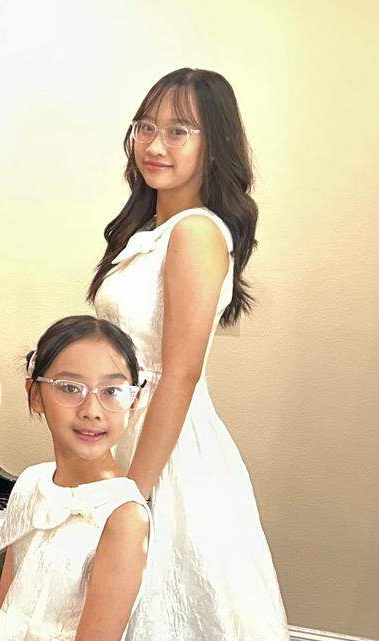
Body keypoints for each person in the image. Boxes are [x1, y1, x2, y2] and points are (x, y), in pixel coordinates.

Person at [88, 68, 288, 640]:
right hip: (129, 427)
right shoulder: (149, 230)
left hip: (168, 448)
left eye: (179, 131)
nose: (154, 145)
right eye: (145, 127)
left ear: (213, 144)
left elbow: (179, 373)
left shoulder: (196, 232)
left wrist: (133, 493)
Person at [0, 315, 151, 641]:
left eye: (112, 391)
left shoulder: (124, 518)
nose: (92, 409)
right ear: (35, 394)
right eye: (70, 388)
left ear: (133, 401)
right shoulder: (30, 482)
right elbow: (2, 611)